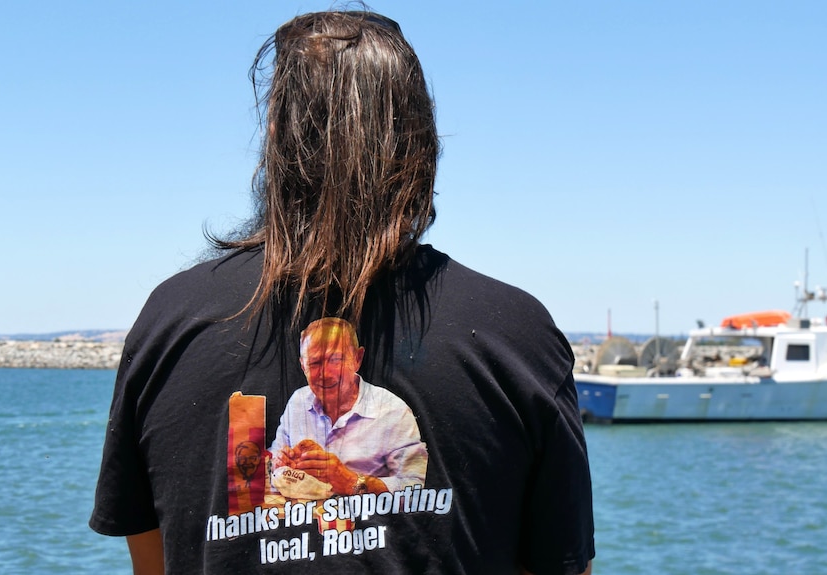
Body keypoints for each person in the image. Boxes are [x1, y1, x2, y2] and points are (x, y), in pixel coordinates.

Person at [90, 9, 594, 575]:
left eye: (332, 364)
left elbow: (153, 561)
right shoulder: (514, 336)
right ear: (421, 142)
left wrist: (338, 479)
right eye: (313, 366)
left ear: (275, 139)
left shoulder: (171, 323)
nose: (320, 377)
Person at [269, 317, 428, 496]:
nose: (325, 374)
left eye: (336, 359)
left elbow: (415, 490)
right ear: (303, 366)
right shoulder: (297, 402)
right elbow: (274, 456)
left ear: (357, 359)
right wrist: (279, 462)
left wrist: (351, 481)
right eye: (314, 363)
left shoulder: (393, 411)